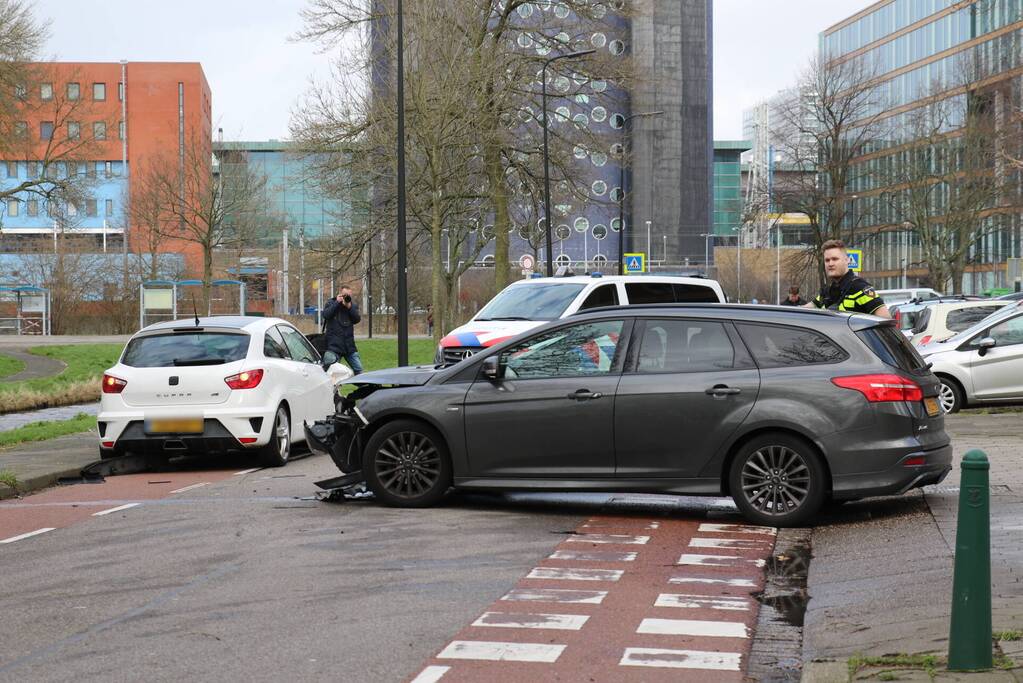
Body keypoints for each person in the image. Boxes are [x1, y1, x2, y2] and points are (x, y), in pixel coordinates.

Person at [806, 239, 890, 317]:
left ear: (847, 260)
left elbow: (885, 318)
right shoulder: (828, 291)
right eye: (827, 260)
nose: (830, 264)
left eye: (835, 259)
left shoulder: (859, 288)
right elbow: (806, 309)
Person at [322, 285, 364, 374]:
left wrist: (349, 307)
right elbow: (326, 315)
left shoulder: (352, 306)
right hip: (334, 346)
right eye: (345, 295)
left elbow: (357, 319)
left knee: (359, 370)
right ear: (340, 294)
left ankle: (363, 387)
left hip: (349, 346)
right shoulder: (331, 303)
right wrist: (337, 302)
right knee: (329, 372)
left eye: (349, 295)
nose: (347, 297)